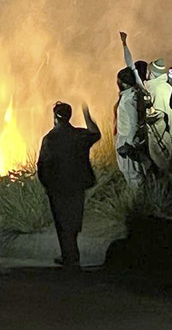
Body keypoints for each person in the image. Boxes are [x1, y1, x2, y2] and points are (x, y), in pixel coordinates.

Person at [37, 102, 101, 270]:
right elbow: (96, 133)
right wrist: (87, 116)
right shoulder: (79, 135)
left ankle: (69, 255)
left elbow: (43, 165)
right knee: (73, 219)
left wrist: (46, 184)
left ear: (55, 117)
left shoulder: (50, 138)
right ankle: (71, 253)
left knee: (62, 221)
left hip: (58, 187)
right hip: (77, 185)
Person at [144, 58, 172, 172]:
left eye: (150, 72)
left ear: (153, 74)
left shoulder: (156, 89)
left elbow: (157, 118)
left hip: (167, 134)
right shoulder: (170, 85)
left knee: (167, 166)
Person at [115, 67, 146, 188]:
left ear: (124, 83)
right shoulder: (131, 95)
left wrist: (128, 144)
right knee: (128, 169)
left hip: (127, 139)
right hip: (126, 137)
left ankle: (138, 197)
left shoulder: (129, 99)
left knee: (131, 171)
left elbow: (134, 123)